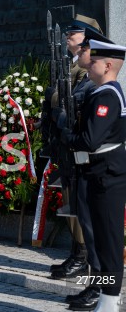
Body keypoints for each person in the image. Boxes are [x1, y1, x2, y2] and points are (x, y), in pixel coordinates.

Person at [61, 38, 126, 312]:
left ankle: (110, 301)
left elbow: (89, 139)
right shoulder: (103, 92)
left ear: (108, 65)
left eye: (94, 61)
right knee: (99, 240)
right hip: (99, 172)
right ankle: (102, 294)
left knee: (108, 242)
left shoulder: (108, 96)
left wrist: (66, 133)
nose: (89, 66)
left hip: (107, 175)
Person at [47, 15, 103, 284]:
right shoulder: (71, 64)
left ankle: (84, 258)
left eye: (75, 32)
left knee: (80, 204)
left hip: (80, 142)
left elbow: (64, 97)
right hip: (66, 141)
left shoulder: (87, 70)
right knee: (70, 198)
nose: (69, 35)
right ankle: (76, 252)